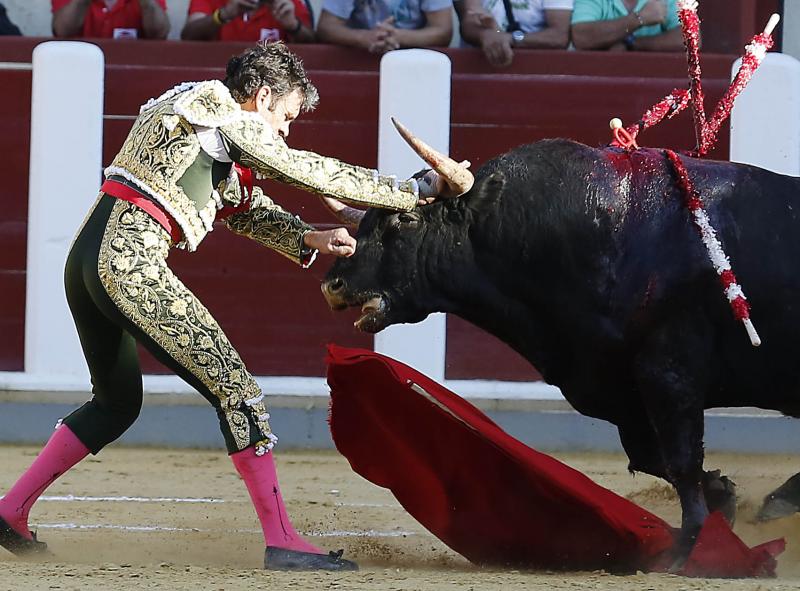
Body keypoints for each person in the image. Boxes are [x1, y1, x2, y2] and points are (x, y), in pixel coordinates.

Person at [0, 41, 460, 571]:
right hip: (130, 262)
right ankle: (283, 539)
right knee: (237, 390)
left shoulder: (197, 117)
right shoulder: (219, 109)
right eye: (285, 115)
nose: (285, 129)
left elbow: (241, 209)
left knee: (116, 403)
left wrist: (311, 238)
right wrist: (412, 189)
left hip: (85, 261)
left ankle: (11, 510)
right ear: (262, 96)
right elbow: (300, 168)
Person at [456, 0, 572, 68]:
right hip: (480, 69)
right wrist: (486, 34)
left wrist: (510, 38)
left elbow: (559, 36)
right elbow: (467, 23)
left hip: (535, 71)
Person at [315, 0, 453, 55]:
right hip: (358, 60)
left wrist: (396, 36)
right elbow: (326, 27)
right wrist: (364, 38)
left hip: (414, 62)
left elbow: (443, 31)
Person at [571, 0, 684, 51]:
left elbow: (691, 38)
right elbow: (581, 37)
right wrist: (638, 19)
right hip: (596, 75)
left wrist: (632, 43)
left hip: (649, 77)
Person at [181, 0, 315, 43]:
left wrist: (293, 25)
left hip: (272, 87)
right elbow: (188, 35)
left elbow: (314, 44)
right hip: (219, 84)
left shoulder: (286, 2)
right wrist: (223, 15)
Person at [52, 0, 169, 39]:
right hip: (80, 69)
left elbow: (159, 34)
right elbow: (62, 32)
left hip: (133, 74)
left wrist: (146, 2)